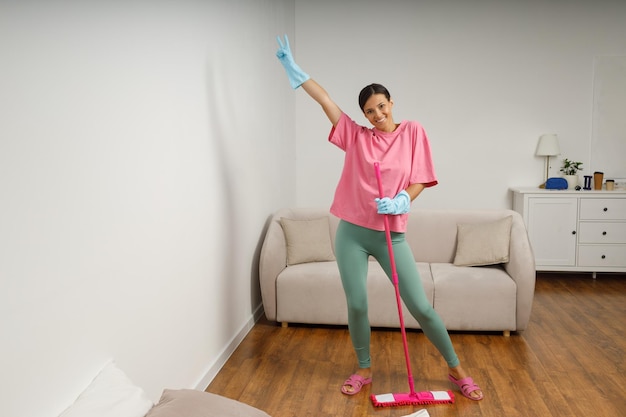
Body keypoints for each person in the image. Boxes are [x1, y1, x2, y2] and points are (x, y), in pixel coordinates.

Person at [275, 35, 484, 401]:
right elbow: (326, 101)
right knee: (357, 303)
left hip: (392, 235)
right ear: (364, 115)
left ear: (391, 103)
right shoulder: (356, 137)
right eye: (370, 110)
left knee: (419, 305)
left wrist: (404, 198)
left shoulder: (414, 131)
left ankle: (456, 369)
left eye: (382, 106)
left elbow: (421, 178)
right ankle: (364, 369)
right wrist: (298, 73)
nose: (377, 114)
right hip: (352, 234)